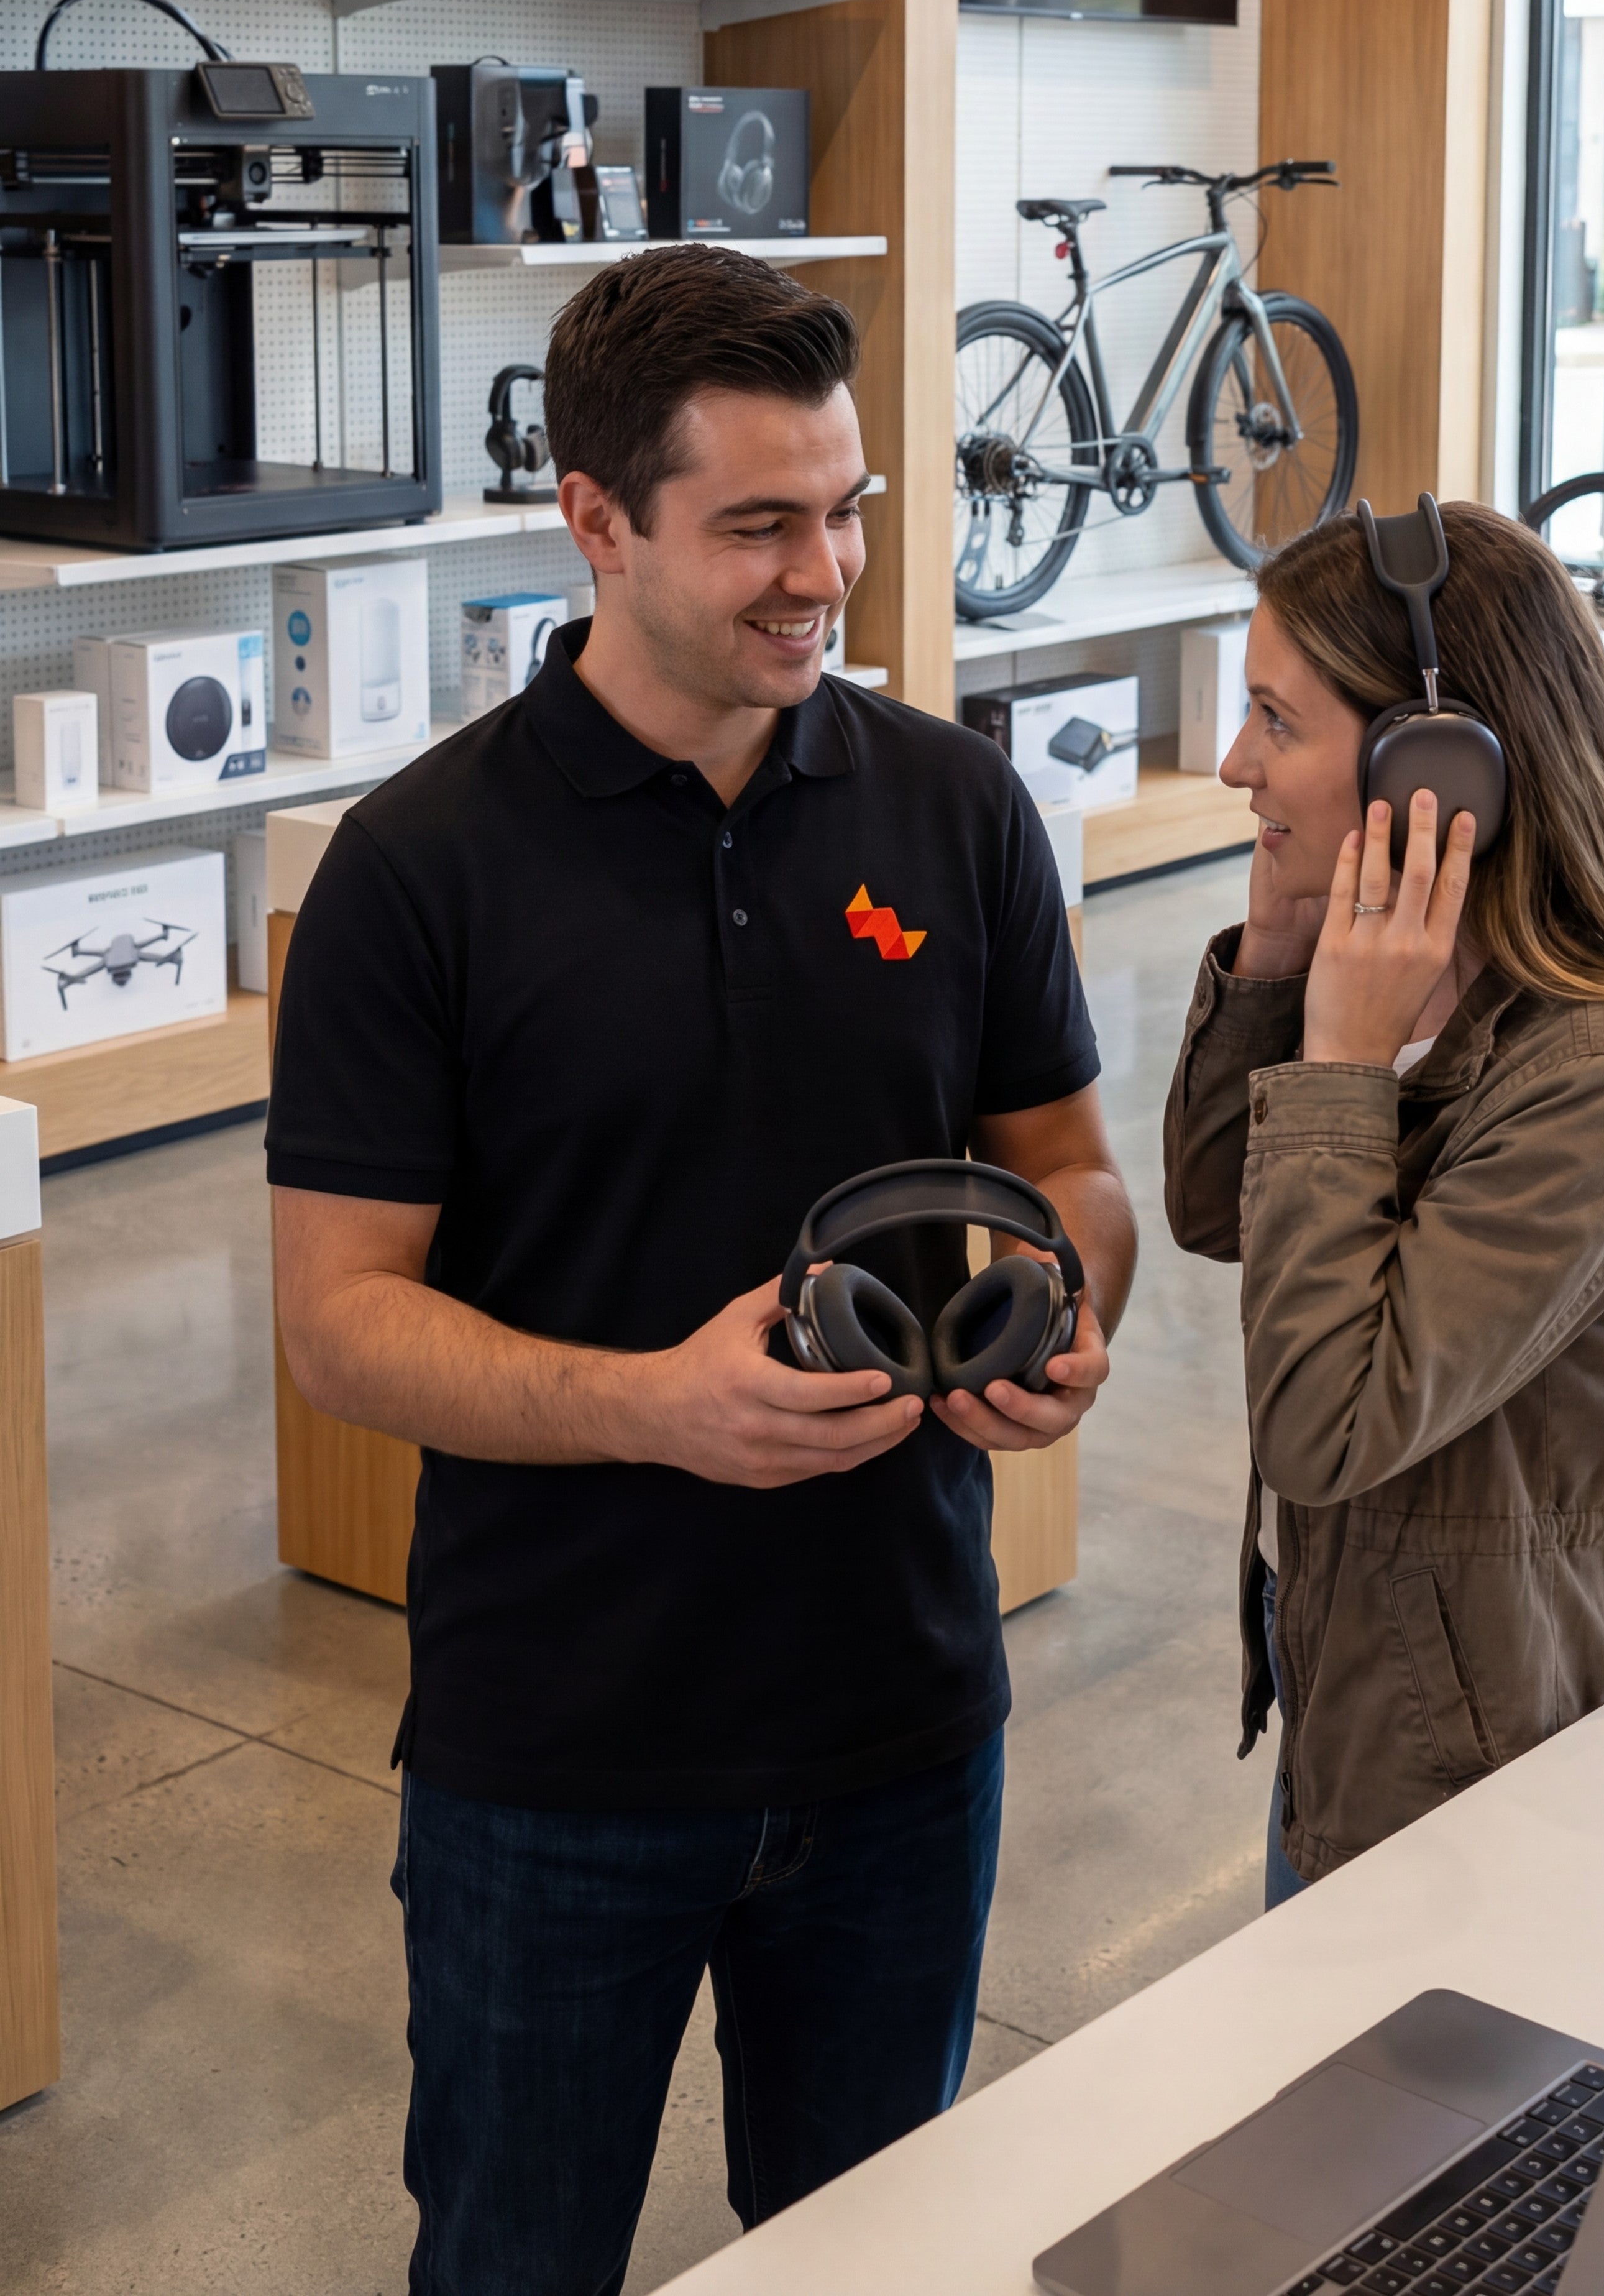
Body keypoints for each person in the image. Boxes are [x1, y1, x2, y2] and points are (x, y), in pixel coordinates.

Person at [267, 246, 1137, 2295]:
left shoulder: (955, 808)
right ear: (596, 521)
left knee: (871, 2263)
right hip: (559, 1754)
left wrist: (1069, 1315)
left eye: (843, 511)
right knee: (513, 2259)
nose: (819, 571)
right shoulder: (417, 872)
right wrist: (657, 1403)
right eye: (757, 525)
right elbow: (338, 1321)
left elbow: (1072, 1172)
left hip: (904, 1725)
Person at [1163, 498, 1604, 1906]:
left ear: (1435, 763)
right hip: (1366, 1702)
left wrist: (1336, 1057)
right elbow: (1224, 1208)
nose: (1233, 762)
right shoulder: (1399, 978)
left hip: (1505, 1771)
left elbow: (1327, 1422)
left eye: (1276, 719)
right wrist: (1277, 969)